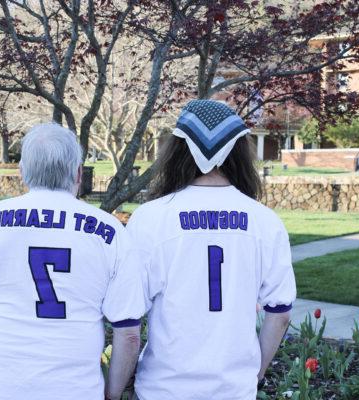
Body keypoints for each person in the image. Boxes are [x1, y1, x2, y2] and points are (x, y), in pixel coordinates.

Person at [0, 123, 144, 400]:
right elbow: (128, 333)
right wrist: (112, 393)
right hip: (74, 391)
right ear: (79, 173)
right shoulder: (110, 232)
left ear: (22, 172)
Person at [127, 99, 296, 400]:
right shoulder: (265, 222)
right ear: (239, 152)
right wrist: (252, 376)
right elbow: (280, 314)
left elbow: (128, 317)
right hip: (233, 390)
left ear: (176, 151)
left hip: (164, 388)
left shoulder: (149, 218)